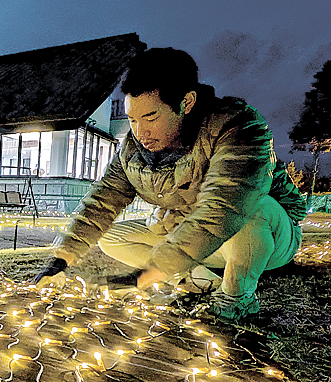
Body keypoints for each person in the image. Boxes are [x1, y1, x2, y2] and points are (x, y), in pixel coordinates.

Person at [32, 48, 306, 320]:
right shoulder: (132, 149)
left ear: (187, 102)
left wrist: (144, 276)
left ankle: (237, 296)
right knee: (111, 237)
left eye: (151, 117)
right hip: (196, 239)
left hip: (266, 236)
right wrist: (59, 261)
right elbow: (102, 202)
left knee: (252, 206)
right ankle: (197, 280)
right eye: (132, 119)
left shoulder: (238, 127)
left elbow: (224, 207)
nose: (140, 132)